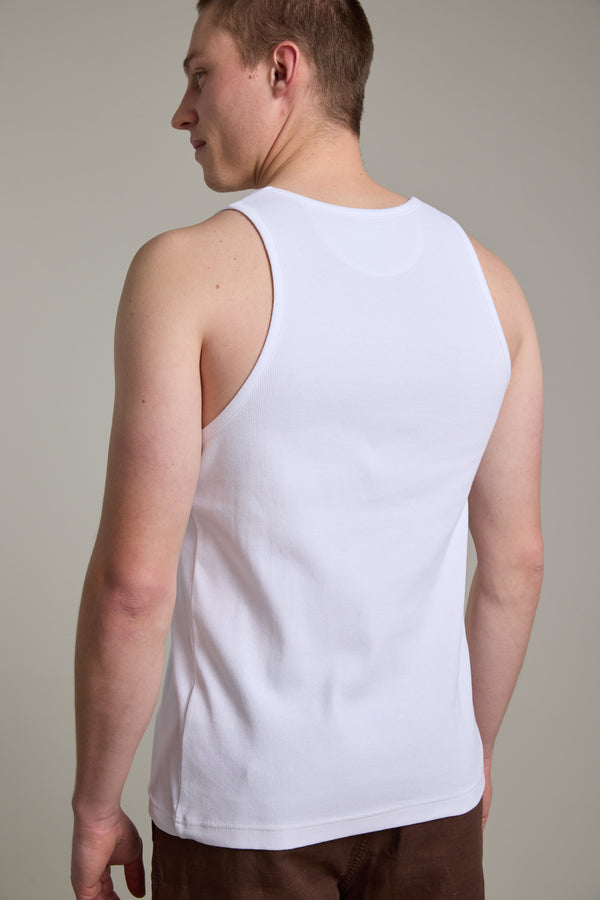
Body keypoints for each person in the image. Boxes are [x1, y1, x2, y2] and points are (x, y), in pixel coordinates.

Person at [70, 0, 543, 897]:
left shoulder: (186, 273)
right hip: (432, 804)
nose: (182, 110)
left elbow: (134, 591)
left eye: (200, 73)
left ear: (282, 70)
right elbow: (515, 567)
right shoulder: (495, 288)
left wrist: (97, 807)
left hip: (248, 815)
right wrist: (464, 762)